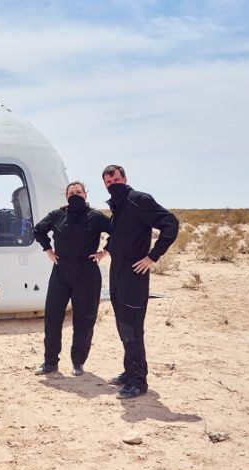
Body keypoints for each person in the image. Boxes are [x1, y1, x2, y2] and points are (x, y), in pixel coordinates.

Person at [102, 165, 179, 398]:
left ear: (124, 178)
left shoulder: (139, 200)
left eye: (115, 179)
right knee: (122, 325)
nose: (112, 183)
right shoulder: (118, 206)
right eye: (107, 181)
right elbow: (121, 235)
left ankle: (138, 381)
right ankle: (129, 371)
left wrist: (152, 257)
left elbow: (171, 224)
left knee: (132, 326)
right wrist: (106, 250)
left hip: (135, 274)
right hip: (117, 271)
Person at [33, 181, 111, 376]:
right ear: (66, 196)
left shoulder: (96, 217)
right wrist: (48, 249)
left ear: (85, 195)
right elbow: (38, 229)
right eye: (71, 192)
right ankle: (50, 362)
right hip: (61, 271)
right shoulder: (58, 215)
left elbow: (117, 232)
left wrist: (104, 252)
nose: (75, 194)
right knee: (52, 317)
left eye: (78, 191)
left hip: (87, 272)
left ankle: (78, 362)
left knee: (84, 319)